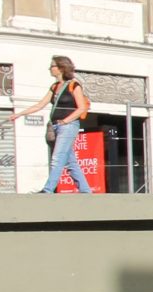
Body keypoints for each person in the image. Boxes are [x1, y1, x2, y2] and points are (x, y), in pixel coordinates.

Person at [13, 55, 94, 193]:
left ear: (61, 68)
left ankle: (48, 189)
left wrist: (65, 121)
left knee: (57, 158)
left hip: (68, 126)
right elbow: (41, 104)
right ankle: (86, 191)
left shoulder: (74, 85)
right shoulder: (55, 86)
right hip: (57, 126)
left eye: (52, 66)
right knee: (70, 162)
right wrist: (20, 114)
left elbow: (82, 108)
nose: (50, 69)